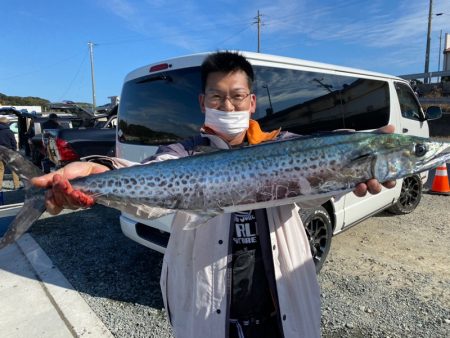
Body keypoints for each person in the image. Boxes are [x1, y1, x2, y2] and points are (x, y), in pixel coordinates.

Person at [32, 51, 395, 338]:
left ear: (252, 102)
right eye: (218, 98)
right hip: (208, 308)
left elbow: (311, 194)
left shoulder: (283, 147)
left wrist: (350, 177)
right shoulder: (184, 153)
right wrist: (98, 171)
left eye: (237, 97)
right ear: (203, 101)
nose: (228, 107)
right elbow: (144, 192)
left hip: (278, 307)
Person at [0, 117, 20, 190]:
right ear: (6, 123)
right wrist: (14, 151)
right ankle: (16, 186)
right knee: (14, 169)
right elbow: (14, 143)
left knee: (0, 170)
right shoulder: (9, 131)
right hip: (9, 152)